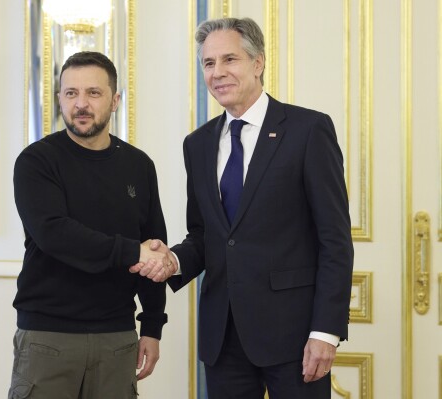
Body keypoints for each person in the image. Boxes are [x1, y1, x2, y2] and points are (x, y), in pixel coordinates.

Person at [131, 17, 354, 399]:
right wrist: (173, 261)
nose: (218, 73)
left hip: (296, 337)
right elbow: (205, 234)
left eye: (229, 59)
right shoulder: (197, 144)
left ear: (258, 63)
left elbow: (334, 239)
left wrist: (325, 332)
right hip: (223, 338)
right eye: (208, 63)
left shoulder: (307, 130)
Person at [9, 51, 169, 399]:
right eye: (71, 93)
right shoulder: (36, 161)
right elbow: (55, 233)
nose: (80, 104)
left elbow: (154, 246)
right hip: (47, 338)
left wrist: (153, 326)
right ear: (59, 100)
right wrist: (132, 251)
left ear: (114, 101)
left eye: (93, 93)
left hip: (117, 338)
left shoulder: (139, 165)